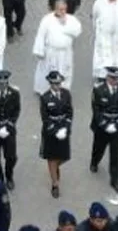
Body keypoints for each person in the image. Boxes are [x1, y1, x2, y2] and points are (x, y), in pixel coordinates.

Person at [90, 65, 118, 194]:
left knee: (115, 153)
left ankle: (115, 180)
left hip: (116, 127)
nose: (115, 81)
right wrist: (104, 124)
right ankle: (94, 162)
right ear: (107, 77)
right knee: (99, 148)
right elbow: (96, 109)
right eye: (112, 78)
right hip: (102, 126)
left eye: (117, 78)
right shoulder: (98, 90)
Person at [32, 0, 83, 94]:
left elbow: (77, 31)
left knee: (65, 72)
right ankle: (45, 91)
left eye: (64, 9)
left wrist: (65, 24)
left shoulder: (71, 19)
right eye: (60, 9)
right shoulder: (47, 20)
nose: (63, 12)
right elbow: (41, 35)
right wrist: (39, 51)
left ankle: (63, 90)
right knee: (48, 72)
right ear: (55, 9)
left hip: (65, 53)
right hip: (51, 52)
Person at [40, 70, 74, 198]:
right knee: (52, 158)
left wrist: (66, 128)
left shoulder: (66, 94)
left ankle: (55, 168)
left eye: (59, 83)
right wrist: (55, 130)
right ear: (50, 84)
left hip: (63, 128)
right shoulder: (45, 97)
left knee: (64, 156)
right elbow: (45, 118)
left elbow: (70, 113)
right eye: (54, 84)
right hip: (50, 131)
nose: (57, 86)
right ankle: (55, 184)